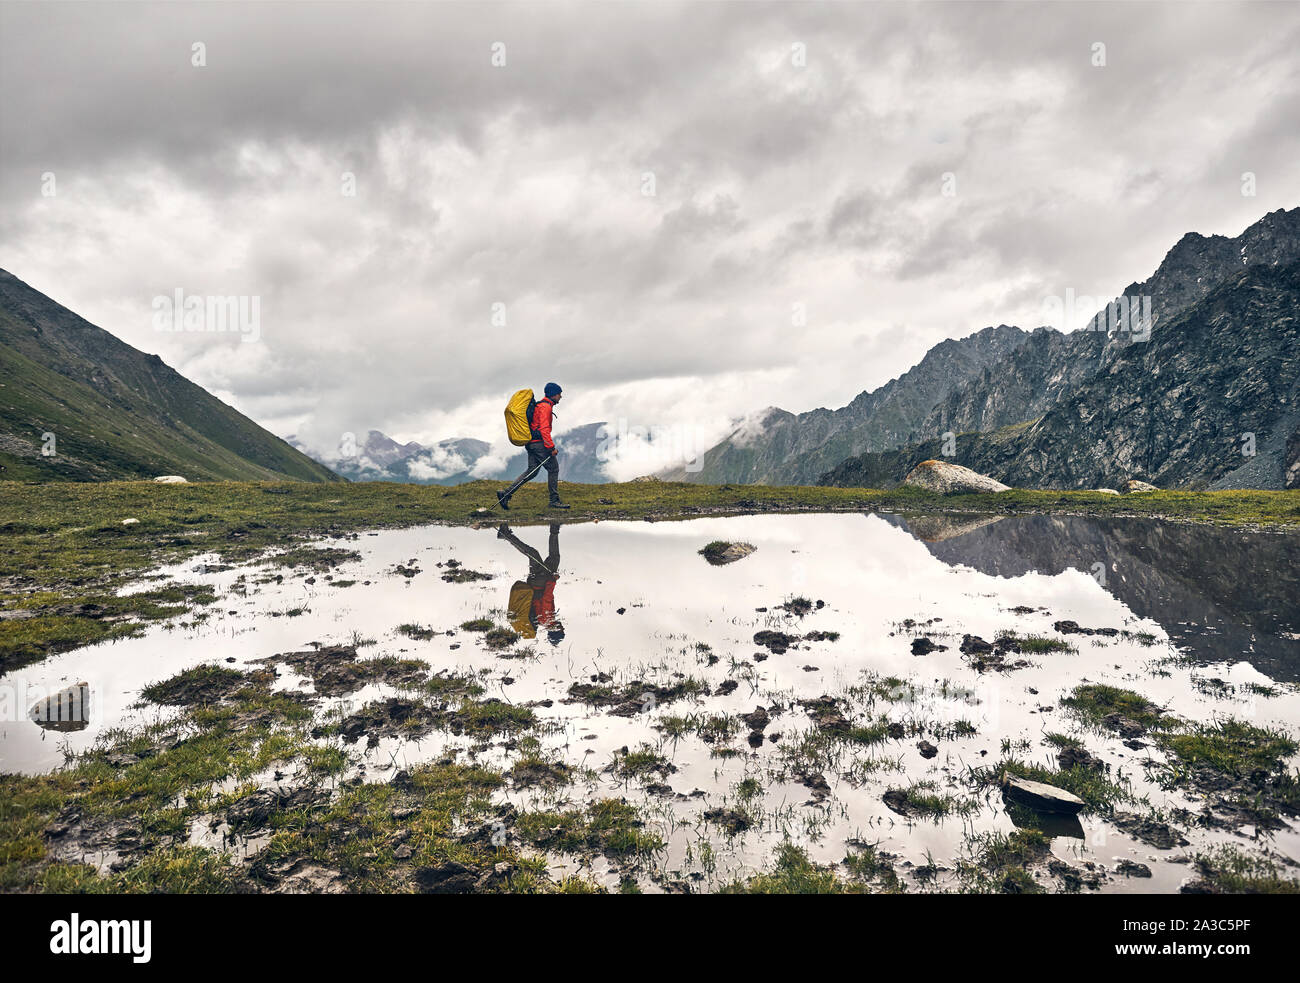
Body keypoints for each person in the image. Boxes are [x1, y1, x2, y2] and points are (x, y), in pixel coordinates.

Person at [498, 382, 569, 510]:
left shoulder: (539, 405)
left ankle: (506, 494)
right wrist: (551, 448)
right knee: (553, 469)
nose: (560, 397)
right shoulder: (545, 407)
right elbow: (544, 429)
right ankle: (554, 501)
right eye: (559, 394)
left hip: (531, 443)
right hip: (539, 444)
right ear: (553, 394)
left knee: (532, 471)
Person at [499, 522, 565, 644]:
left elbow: (547, 598)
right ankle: (554, 528)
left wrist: (553, 580)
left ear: (556, 630)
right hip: (534, 583)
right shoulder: (542, 622)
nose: (563, 627)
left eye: (562, 630)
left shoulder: (548, 619)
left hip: (541, 581)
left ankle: (505, 534)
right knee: (551, 557)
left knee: (535, 554)